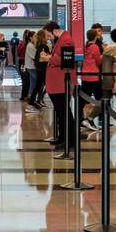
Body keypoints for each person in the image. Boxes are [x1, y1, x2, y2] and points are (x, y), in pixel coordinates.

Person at [44, 21, 73, 150]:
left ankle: (69, 141)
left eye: (49, 35)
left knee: (64, 113)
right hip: (57, 83)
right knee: (61, 113)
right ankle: (63, 137)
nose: (48, 38)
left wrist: (49, 58)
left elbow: (67, 60)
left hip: (61, 83)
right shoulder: (62, 39)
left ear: (55, 31)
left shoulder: (66, 40)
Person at [80, 30, 103, 132]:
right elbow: (99, 61)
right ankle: (90, 119)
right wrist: (105, 53)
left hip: (85, 76)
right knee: (101, 99)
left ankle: (80, 119)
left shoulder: (85, 46)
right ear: (95, 37)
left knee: (83, 99)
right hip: (94, 77)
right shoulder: (95, 47)